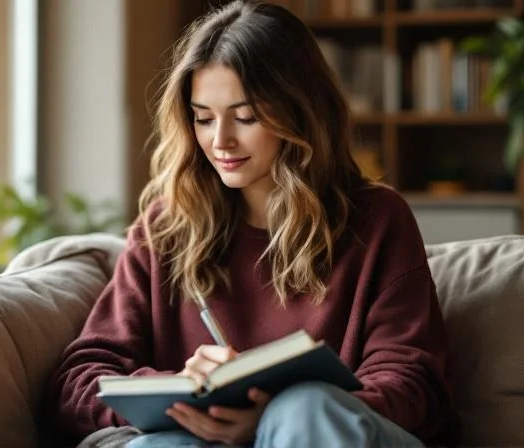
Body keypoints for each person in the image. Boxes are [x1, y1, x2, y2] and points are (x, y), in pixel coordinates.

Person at [46, 1, 455, 446]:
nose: (220, 140)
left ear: (300, 112)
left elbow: (413, 383)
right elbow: (79, 382)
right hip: (202, 439)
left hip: (332, 432)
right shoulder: (168, 226)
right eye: (203, 119)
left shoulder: (377, 219)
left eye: (245, 117)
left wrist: (273, 413)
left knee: (305, 410)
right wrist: (180, 392)